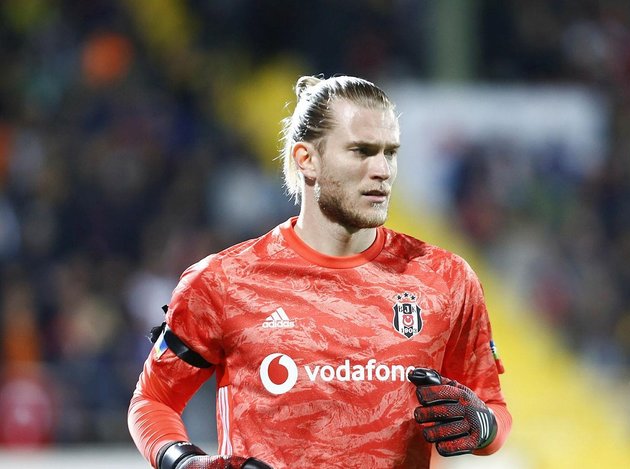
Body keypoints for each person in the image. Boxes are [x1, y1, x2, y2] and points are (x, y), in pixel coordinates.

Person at [127, 74, 511, 469]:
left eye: (390, 152)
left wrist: (482, 426)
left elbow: (494, 409)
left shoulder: (445, 278)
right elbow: (153, 400)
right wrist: (184, 463)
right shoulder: (224, 281)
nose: (382, 169)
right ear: (306, 159)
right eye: (361, 151)